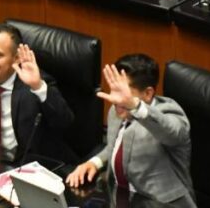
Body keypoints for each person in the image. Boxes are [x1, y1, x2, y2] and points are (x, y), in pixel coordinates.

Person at [66, 54, 196, 208]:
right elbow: (117, 147)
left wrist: (135, 107)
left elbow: (172, 132)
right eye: (114, 89)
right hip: (121, 199)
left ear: (148, 93)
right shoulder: (117, 110)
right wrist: (94, 162)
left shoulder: (169, 113)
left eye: (123, 92)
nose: (115, 98)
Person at [0, 23, 76, 167]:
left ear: (16, 58)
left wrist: (38, 87)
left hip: (28, 166)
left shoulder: (34, 85)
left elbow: (64, 122)